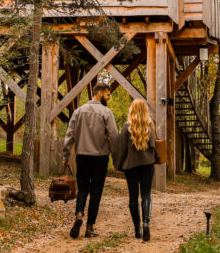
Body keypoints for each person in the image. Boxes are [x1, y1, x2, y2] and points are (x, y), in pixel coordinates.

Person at [62, 81, 118, 239]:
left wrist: (65, 156)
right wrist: (115, 156)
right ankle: (89, 227)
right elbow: (113, 136)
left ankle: (79, 214)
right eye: (108, 94)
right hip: (100, 158)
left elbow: (69, 135)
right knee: (96, 191)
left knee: (83, 188)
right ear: (100, 93)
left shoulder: (79, 111)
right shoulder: (106, 113)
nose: (109, 97)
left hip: (82, 156)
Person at [112, 98, 157, 241]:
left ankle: (137, 229)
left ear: (132, 109)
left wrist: (118, 164)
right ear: (145, 110)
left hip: (131, 167)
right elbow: (153, 145)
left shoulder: (127, 127)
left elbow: (121, 149)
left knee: (133, 197)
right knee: (146, 195)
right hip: (147, 165)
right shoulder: (150, 126)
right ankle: (146, 224)